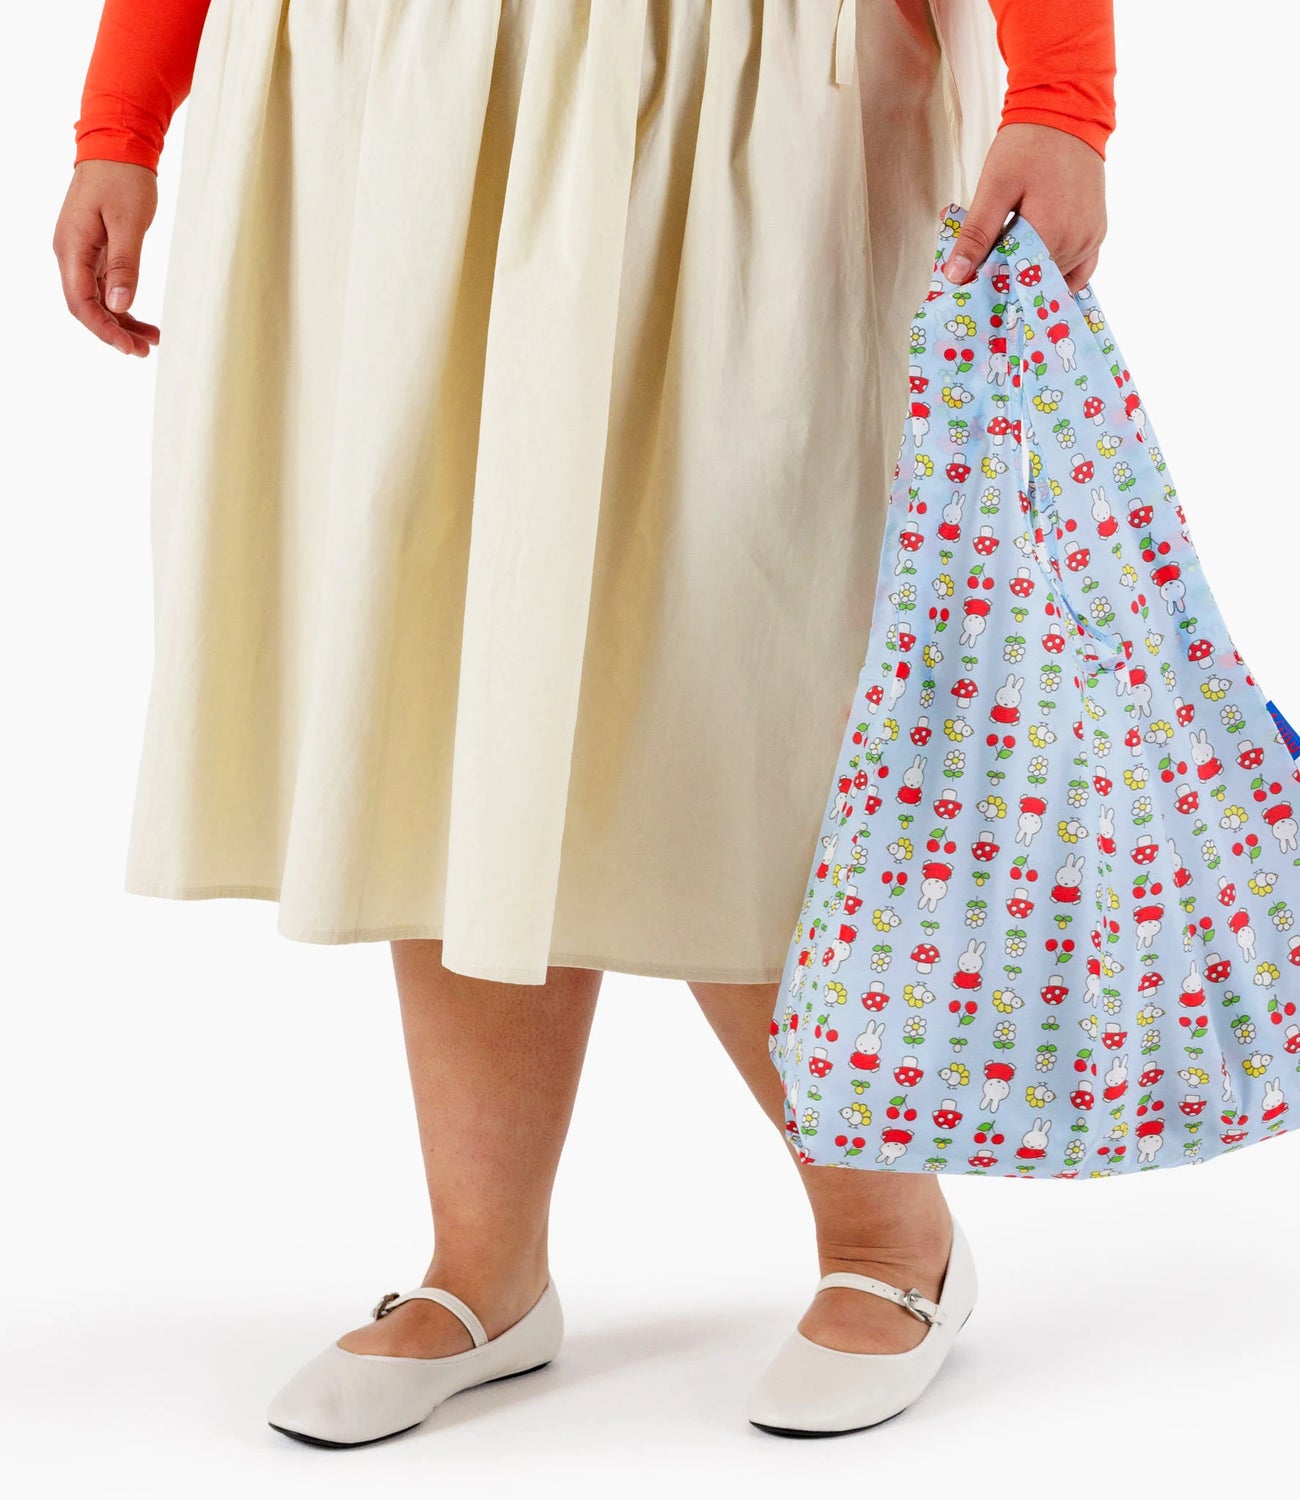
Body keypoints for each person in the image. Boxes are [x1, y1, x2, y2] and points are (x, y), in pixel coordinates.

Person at [55, 0, 1116, 1446]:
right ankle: (482, 1268)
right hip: (395, 83)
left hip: (733, 83)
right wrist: (124, 112)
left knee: (734, 676)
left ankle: (887, 1233)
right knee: (443, 653)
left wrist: (1065, 89)